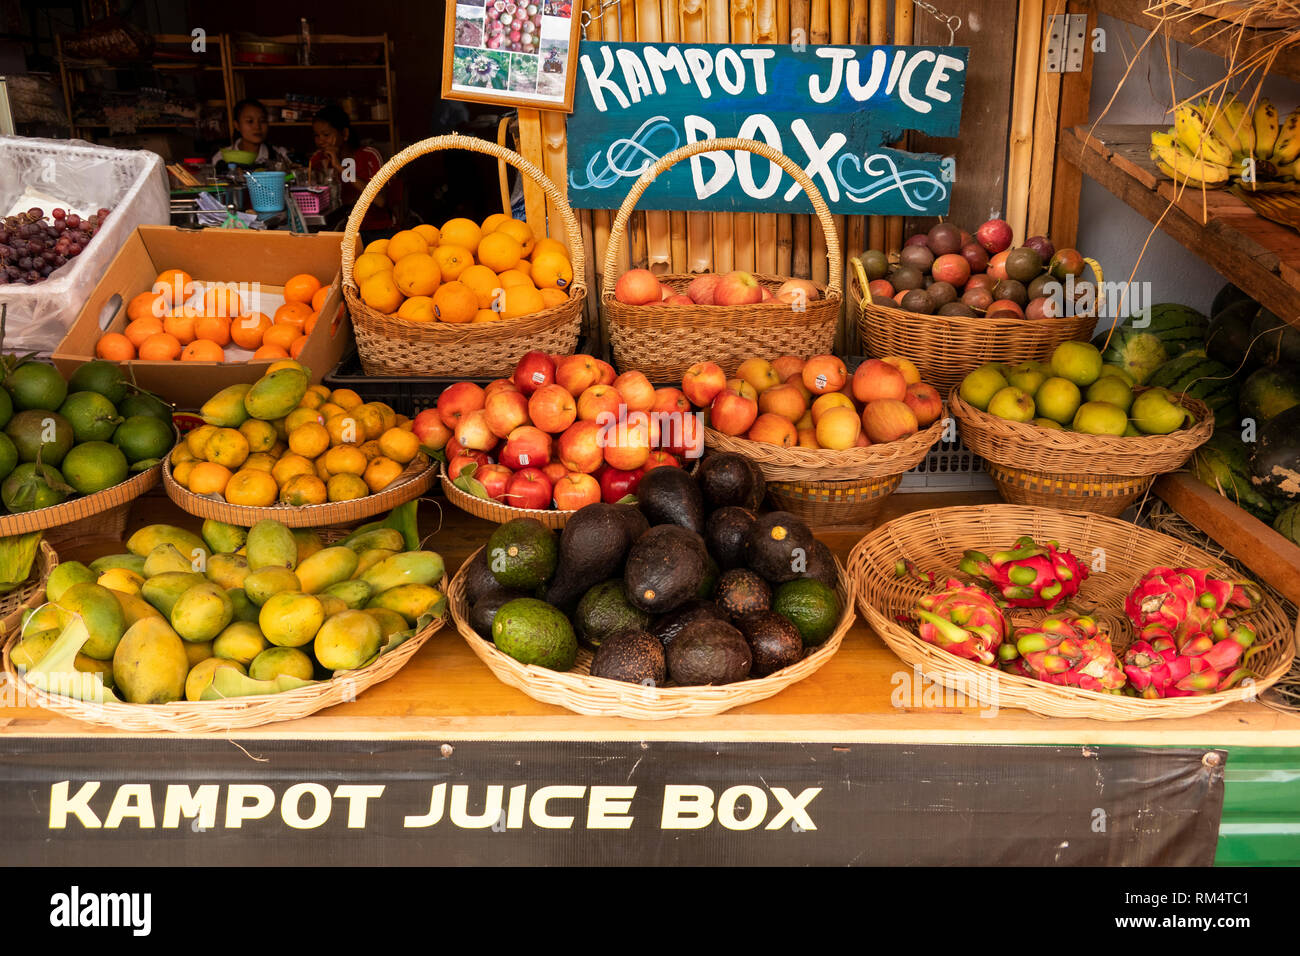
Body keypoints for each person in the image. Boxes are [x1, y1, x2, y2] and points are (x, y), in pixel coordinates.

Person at [309, 103, 393, 232]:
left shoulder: (369, 155)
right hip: (336, 230)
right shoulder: (317, 159)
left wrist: (340, 167)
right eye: (316, 136)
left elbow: (380, 201)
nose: (321, 141)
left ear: (344, 133)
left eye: (326, 135)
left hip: (373, 229)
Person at [212, 99, 292, 166]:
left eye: (262, 121)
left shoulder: (281, 156)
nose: (257, 127)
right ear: (237, 125)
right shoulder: (221, 159)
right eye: (250, 121)